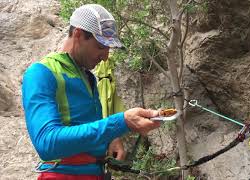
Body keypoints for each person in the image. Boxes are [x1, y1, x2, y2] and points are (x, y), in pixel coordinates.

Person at [21, 4, 161, 180]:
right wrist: (120, 122)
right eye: (101, 46)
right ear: (78, 34)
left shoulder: (88, 77)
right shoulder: (41, 73)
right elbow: (47, 143)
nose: (106, 56)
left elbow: (83, 124)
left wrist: (109, 139)